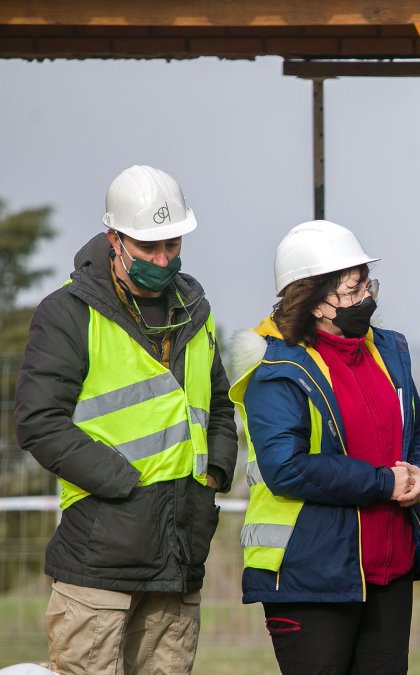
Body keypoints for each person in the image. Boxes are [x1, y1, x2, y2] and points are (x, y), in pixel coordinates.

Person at [14, 165, 238, 674]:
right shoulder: (67, 314)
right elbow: (39, 422)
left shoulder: (195, 312)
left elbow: (219, 408)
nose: (163, 260)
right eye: (148, 248)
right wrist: (125, 483)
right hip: (98, 563)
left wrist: (213, 476)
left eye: (172, 246)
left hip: (180, 557)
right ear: (114, 238)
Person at [229, 220, 420, 675]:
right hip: (311, 579)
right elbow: (286, 467)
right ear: (311, 300)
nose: (366, 298)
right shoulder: (276, 367)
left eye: (367, 285)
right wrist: (384, 482)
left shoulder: (389, 350)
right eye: (352, 291)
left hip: (389, 572)